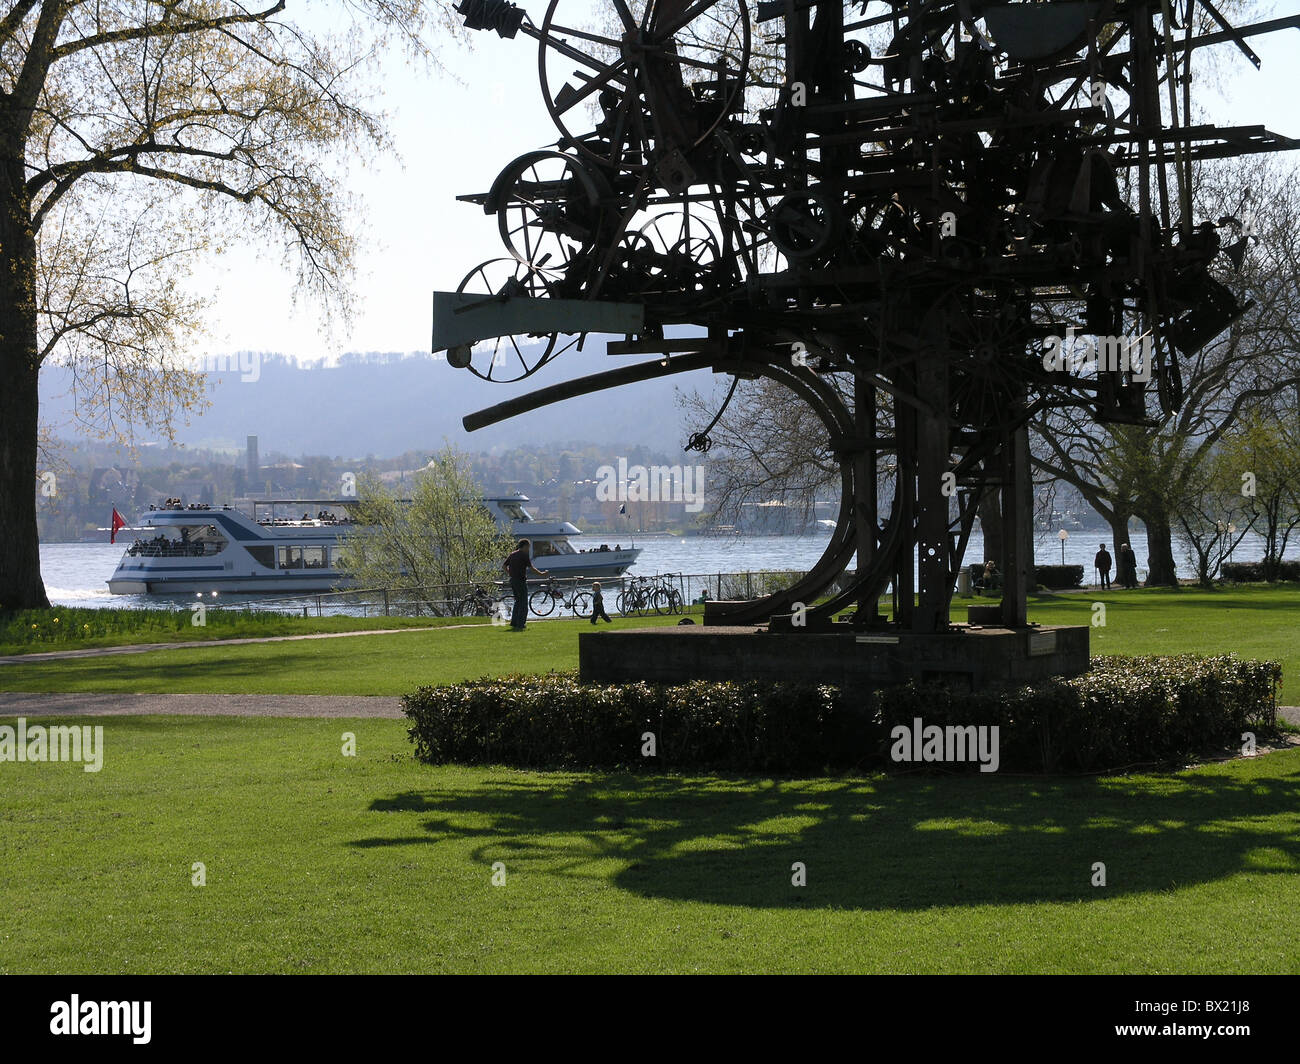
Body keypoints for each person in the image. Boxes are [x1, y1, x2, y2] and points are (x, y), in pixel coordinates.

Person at [502, 538, 547, 630]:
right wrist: (542, 574)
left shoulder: (512, 554)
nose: (529, 549)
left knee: (517, 602)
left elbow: (504, 566)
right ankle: (521, 624)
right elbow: (531, 568)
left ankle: (514, 622)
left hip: (513, 580)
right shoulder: (524, 555)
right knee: (523, 603)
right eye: (528, 547)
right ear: (525, 546)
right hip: (520, 581)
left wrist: (510, 573)